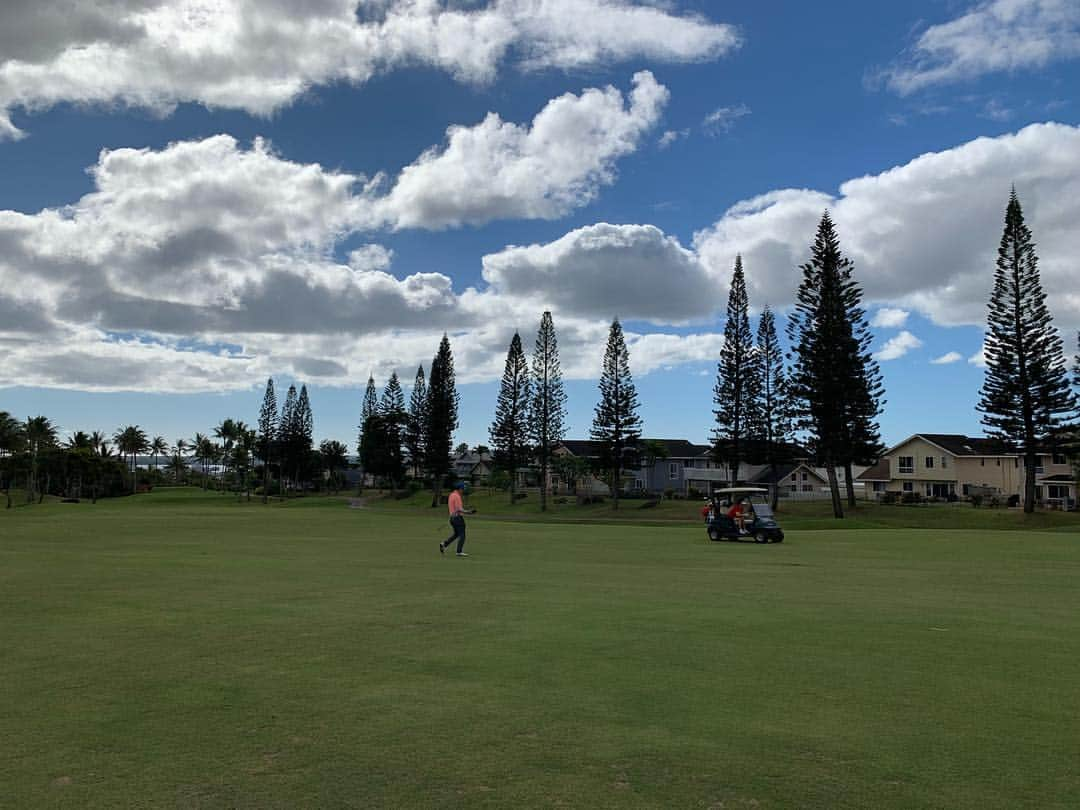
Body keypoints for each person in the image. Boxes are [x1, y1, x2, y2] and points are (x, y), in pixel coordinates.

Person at [439, 481, 475, 557]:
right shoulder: (457, 496)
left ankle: (444, 544)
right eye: (462, 489)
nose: (463, 490)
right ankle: (459, 551)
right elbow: (459, 509)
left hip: (452, 518)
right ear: (459, 489)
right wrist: (469, 512)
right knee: (462, 535)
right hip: (458, 518)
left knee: (456, 534)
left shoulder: (451, 495)